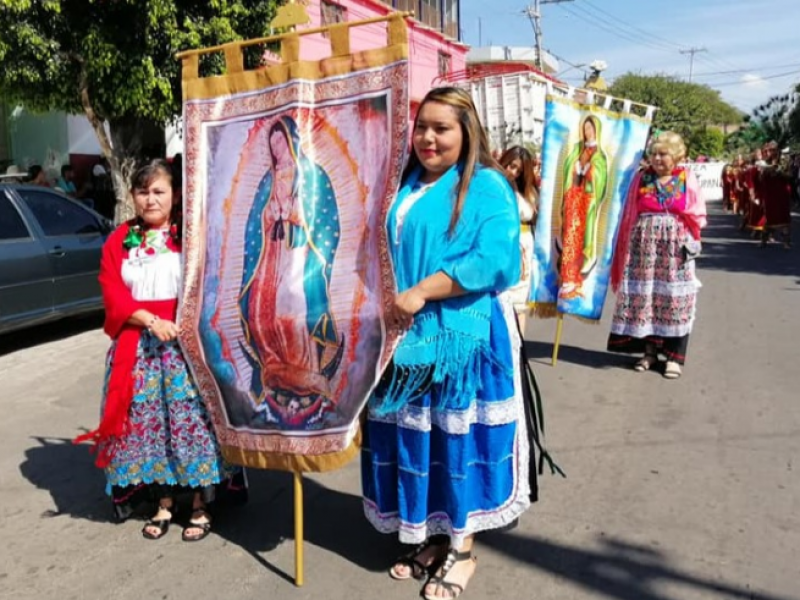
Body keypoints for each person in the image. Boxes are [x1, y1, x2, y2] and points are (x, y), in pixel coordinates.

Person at [361, 87, 534, 600]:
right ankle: (432, 534)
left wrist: (421, 290)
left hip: (465, 338)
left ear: (467, 132)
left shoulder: (485, 186)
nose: (428, 139)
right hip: (406, 337)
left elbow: (495, 260)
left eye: (442, 128)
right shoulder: (405, 185)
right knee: (420, 439)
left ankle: (462, 548)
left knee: (457, 442)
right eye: (422, 127)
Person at [75, 159, 238, 541]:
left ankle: (200, 503)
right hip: (139, 347)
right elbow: (112, 292)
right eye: (143, 191)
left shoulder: (191, 237)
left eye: (159, 191)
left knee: (194, 424)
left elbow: (211, 282)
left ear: (176, 194)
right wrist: (150, 321)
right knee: (147, 428)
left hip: (186, 345)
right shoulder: (120, 240)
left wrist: (187, 322)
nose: (150, 200)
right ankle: (163, 502)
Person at [238, 116, 345, 420]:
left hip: (300, 253)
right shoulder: (268, 180)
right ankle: (273, 367)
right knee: (260, 309)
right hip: (270, 253)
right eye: (271, 143)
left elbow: (325, 219)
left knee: (294, 304)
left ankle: (305, 370)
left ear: (292, 140)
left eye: (280, 140)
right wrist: (270, 214)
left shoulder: (311, 174)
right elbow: (254, 222)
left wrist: (297, 213)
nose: (276, 147)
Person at [608, 131, 707, 380]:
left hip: (674, 247)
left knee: (674, 299)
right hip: (643, 247)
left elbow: (697, 213)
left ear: (676, 156)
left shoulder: (686, 177)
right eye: (654, 153)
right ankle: (649, 352)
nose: (657, 158)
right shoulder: (641, 178)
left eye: (663, 154)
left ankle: (673, 358)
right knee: (648, 299)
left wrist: (690, 241)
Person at [558, 114, 609, 299]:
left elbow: (600, 174)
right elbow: (570, 167)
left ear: (597, 131)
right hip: (574, 200)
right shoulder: (578, 149)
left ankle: (577, 277)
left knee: (582, 239)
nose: (588, 132)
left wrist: (591, 171)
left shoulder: (599, 154)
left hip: (587, 202)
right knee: (570, 238)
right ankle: (567, 278)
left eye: (591, 129)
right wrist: (574, 167)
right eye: (585, 129)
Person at [499, 145, 539, 331]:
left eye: (518, 170)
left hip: (523, 244)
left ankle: (520, 348)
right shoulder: (494, 183)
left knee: (519, 302)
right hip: (503, 242)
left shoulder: (527, 192)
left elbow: (531, 214)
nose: (512, 172)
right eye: (511, 165)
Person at [758, 141, 792, 249]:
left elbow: (790, 176)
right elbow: (760, 179)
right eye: (768, 150)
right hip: (769, 194)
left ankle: (786, 242)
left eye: (772, 150)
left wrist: (778, 171)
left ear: (777, 150)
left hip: (781, 194)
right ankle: (763, 240)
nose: (769, 152)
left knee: (784, 218)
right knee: (768, 217)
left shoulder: (784, 161)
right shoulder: (765, 162)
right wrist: (764, 171)